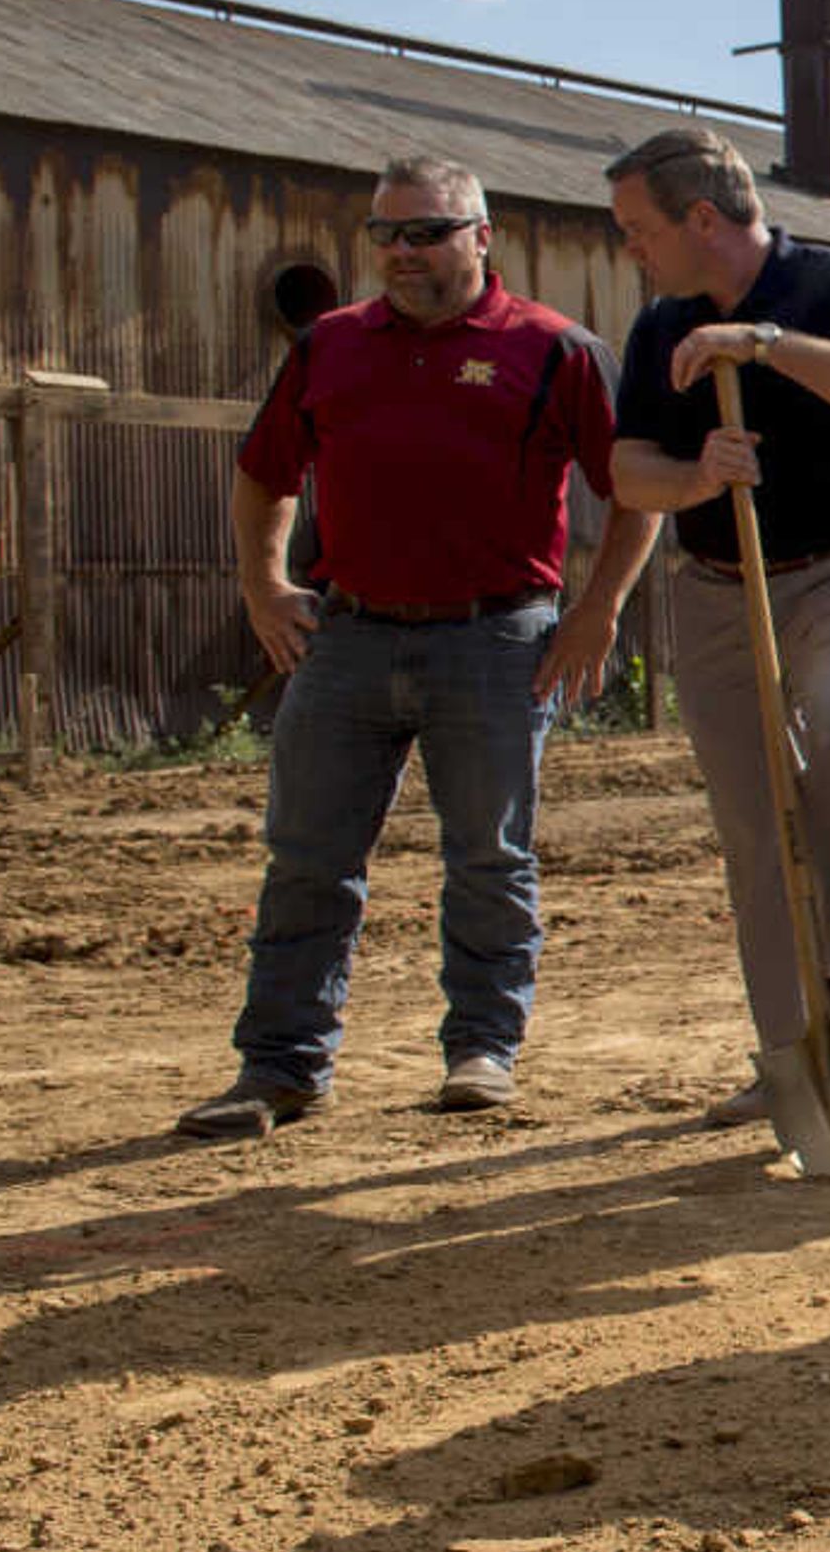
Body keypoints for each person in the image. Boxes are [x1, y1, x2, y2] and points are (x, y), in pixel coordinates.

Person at [177, 156, 662, 1139]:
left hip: (497, 638)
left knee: (488, 856)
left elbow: (636, 486)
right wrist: (266, 584)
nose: (402, 252)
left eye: (426, 231)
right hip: (345, 637)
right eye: (385, 233)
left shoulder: (556, 348)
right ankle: (280, 1068)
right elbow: (266, 474)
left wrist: (599, 607)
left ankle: (482, 1050)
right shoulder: (330, 346)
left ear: (481, 236)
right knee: (308, 859)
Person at [602, 126, 830, 1128]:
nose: (633, 251)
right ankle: (790, 1055)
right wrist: (700, 474)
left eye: (638, 230)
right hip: (718, 585)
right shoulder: (658, 327)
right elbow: (628, 474)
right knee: (756, 826)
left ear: (701, 218)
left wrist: (763, 347)